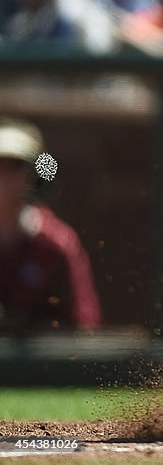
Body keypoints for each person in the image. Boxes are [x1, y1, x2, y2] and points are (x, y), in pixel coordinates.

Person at [0, 118, 101, 332]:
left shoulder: (55, 243)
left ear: (32, 176)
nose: (4, 179)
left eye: (14, 168)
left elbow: (83, 324)